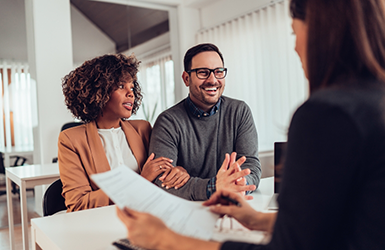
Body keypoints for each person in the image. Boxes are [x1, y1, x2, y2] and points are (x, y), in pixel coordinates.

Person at [116, 0, 385, 249]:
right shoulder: (373, 103)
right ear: (187, 78)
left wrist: (166, 239)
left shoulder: (327, 114)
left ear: (320, 31)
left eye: (294, 33)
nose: (294, 46)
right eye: (203, 72)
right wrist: (255, 218)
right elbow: (338, 223)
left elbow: (288, 240)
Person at [58, 54, 189, 212]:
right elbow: (78, 204)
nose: (130, 93)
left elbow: (164, 174)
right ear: (98, 91)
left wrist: (179, 171)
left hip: (148, 217)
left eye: (132, 87)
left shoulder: (143, 129)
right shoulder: (71, 140)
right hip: (102, 224)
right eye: (121, 86)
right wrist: (140, 181)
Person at [149, 43, 261, 200]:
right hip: (186, 214)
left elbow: (251, 167)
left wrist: (239, 184)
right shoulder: (168, 122)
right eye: (203, 73)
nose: (213, 80)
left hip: (233, 205)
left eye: (218, 72)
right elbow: (162, 181)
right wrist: (214, 188)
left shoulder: (240, 111)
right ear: (186, 78)